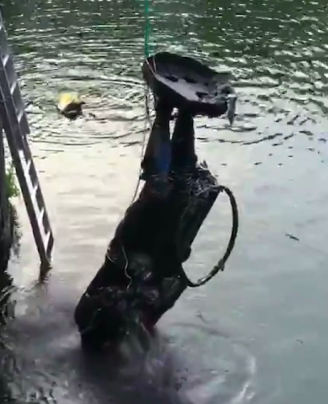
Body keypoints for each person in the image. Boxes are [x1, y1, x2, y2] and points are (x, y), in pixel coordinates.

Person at [74, 54, 228, 352]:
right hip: (165, 252)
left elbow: (105, 301)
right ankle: (183, 114)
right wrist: (156, 291)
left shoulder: (86, 318)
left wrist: (132, 294)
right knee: (186, 183)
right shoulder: (138, 328)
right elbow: (169, 289)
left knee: (158, 190)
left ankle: (164, 110)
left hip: (133, 246)